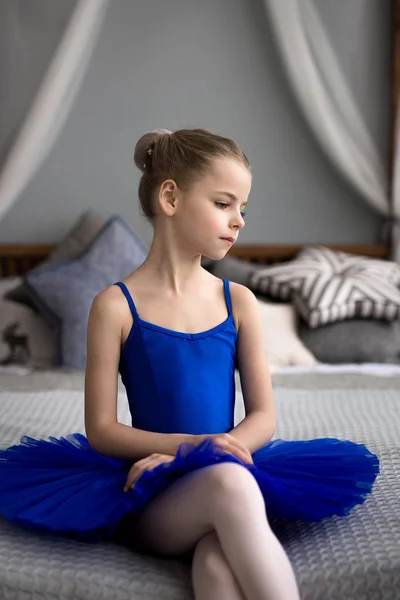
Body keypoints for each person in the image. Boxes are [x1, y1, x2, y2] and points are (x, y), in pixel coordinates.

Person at [0, 128, 379, 600]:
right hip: (155, 490)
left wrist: (215, 451)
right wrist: (195, 450)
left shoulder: (238, 300)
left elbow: (263, 417)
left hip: (227, 472)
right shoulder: (115, 306)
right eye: (224, 204)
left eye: (243, 208)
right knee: (231, 485)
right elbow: (102, 430)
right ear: (170, 196)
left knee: (218, 565)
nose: (238, 221)